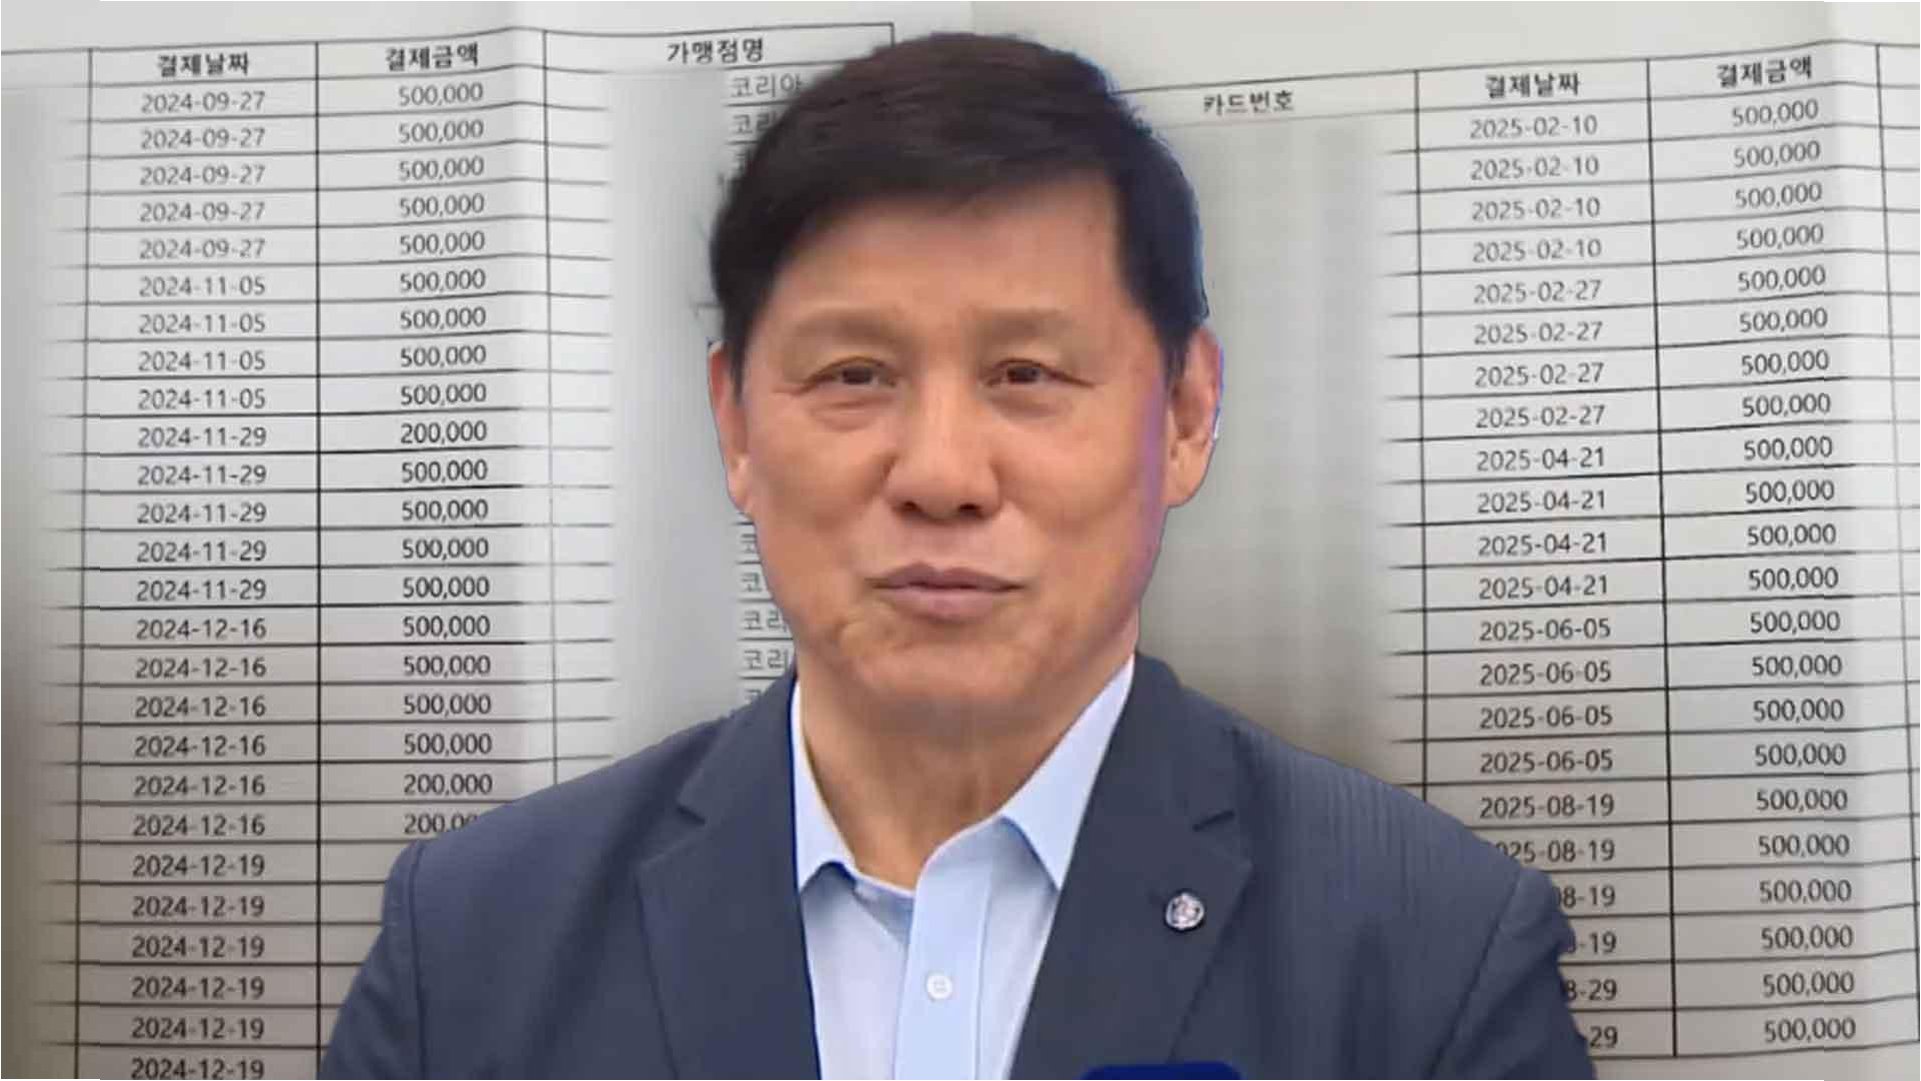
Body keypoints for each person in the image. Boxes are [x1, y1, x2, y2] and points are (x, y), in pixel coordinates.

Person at [321, 32, 1593, 1079]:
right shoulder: (477, 943)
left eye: (1026, 374)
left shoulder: (1427, 953)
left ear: (1184, 413)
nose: (939, 474)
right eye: (853, 374)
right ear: (737, 427)